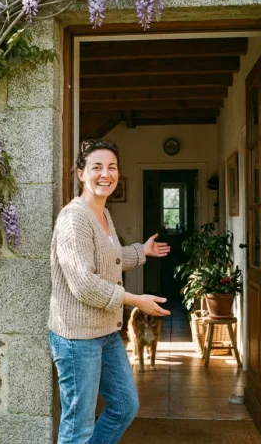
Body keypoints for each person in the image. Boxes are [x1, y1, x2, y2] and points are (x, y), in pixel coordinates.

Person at [48, 139, 171, 444]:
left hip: (105, 332)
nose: (106, 174)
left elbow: (109, 259)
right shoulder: (74, 219)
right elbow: (85, 284)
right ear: (81, 174)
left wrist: (142, 251)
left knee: (125, 405)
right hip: (77, 339)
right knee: (78, 426)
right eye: (97, 167)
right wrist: (135, 300)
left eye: (112, 167)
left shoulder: (104, 215)